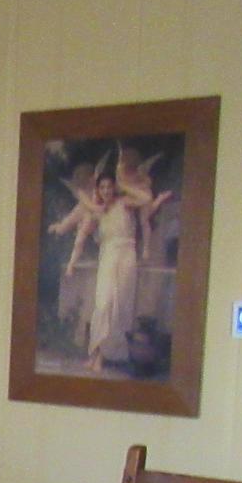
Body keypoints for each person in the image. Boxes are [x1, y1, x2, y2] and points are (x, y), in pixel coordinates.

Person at [51, 150, 172, 373]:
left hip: (127, 256)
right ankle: (96, 353)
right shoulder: (97, 211)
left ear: (114, 188)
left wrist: (122, 185)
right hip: (108, 256)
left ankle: (111, 355)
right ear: (98, 190)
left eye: (109, 187)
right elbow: (80, 235)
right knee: (103, 303)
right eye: (102, 188)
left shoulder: (125, 203)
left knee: (121, 305)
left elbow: (146, 199)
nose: (106, 191)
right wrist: (70, 259)